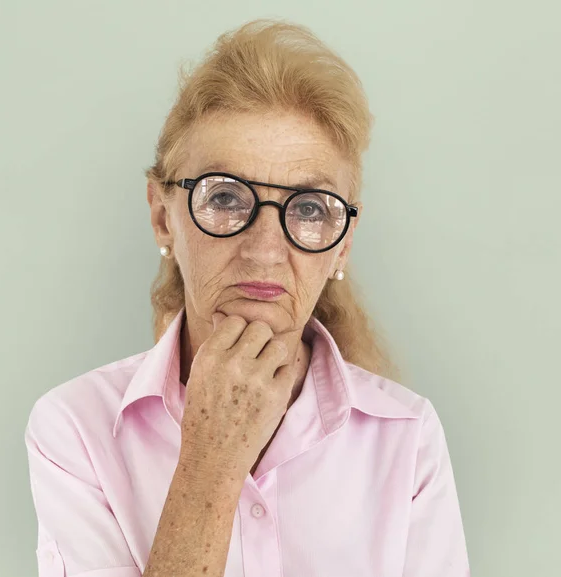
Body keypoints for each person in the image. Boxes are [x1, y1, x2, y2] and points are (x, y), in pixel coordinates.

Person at [25, 19, 470, 577]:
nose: (264, 252)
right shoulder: (74, 430)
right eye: (226, 199)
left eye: (310, 209)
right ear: (164, 218)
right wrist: (211, 460)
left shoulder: (408, 438)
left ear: (342, 247)